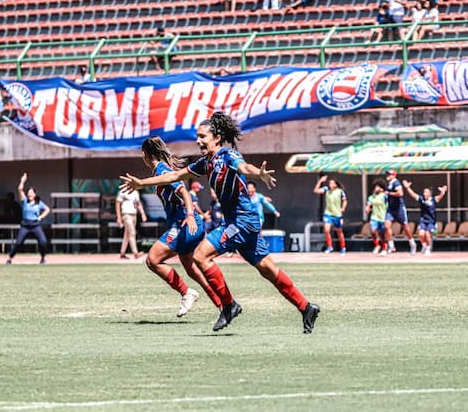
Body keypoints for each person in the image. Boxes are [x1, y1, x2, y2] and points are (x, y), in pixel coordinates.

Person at [120, 112, 320, 334]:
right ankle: (306, 307)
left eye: (202, 136)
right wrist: (142, 183)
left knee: (201, 255)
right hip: (243, 223)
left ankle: (228, 305)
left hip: (241, 222)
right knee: (268, 270)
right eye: (197, 136)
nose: (198, 141)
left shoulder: (227, 155)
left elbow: (244, 167)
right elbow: (174, 176)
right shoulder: (206, 163)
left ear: (216, 137)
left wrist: (259, 174)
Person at [138, 136, 223, 318]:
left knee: (152, 260)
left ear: (144, 154)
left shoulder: (162, 169)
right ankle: (222, 304)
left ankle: (187, 293)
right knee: (189, 265)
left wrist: (191, 216)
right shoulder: (159, 171)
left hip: (185, 224)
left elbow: (183, 191)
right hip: (185, 224)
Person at [6, 173, 50, 265]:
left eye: (31, 192)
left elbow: (47, 209)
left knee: (43, 241)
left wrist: (41, 217)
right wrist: (22, 181)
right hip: (25, 225)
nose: (29, 194)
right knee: (18, 243)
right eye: (28, 192)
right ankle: (10, 258)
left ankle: (42, 258)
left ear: (34, 194)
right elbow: (20, 189)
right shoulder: (25, 201)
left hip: (35, 225)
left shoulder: (39, 203)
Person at [402, 180, 447, 255]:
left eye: (426, 192)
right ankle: (424, 245)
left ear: (430, 193)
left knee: (427, 234)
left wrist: (442, 192)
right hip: (423, 220)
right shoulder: (421, 199)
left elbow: (440, 197)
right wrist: (407, 188)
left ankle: (428, 248)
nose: (424, 193)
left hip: (432, 221)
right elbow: (413, 194)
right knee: (421, 234)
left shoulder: (433, 199)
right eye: (424, 192)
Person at [384, 169, 417, 255]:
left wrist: (389, 193)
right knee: (387, 226)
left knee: (405, 226)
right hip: (391, 209)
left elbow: (400, 193)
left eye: (389, 174)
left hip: (399, 209)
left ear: (394, 175)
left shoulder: (396, 183)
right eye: (387, 174)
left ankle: (412, 243)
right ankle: (391, 246)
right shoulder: (389, 184)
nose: (388, 176)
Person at [313, 175, 347, 255]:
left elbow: (345, 200)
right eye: (330, 183)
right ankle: (329, 246)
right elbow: (316, 190)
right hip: (328, 213)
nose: (330, 184)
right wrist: (320, 181)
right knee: (327, 230)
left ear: (335, 184)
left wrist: (343, 207)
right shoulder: (326, 190)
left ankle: (343, 247)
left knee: (339, 231)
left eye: (332, 183)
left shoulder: (340, 191)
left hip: (337, 214)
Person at [115, 186, 147, 259]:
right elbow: (117, 205)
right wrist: (119, 217)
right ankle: (136, 253)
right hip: (126, 215)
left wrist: (143, 214)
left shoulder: (135, 192)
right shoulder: (122, 192)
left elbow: (138, 204)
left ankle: (122, 253)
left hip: (134, 215)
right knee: (132, 233)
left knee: (127, 234)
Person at [365, 178, 388, 255]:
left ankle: (384, 247)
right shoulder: (372, 197)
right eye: (375, 187)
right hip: (374, 217)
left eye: (377, 187)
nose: (376, 188)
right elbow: (368, 204)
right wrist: (367, 208)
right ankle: (377, 245)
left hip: (382, 217)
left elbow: (388, 205)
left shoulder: (384, 196)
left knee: (382, 234)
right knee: (373, 231)